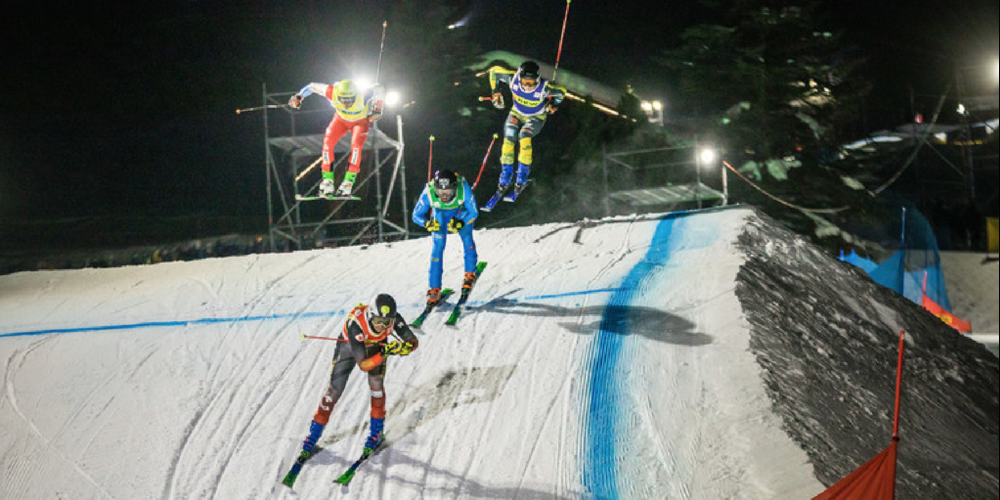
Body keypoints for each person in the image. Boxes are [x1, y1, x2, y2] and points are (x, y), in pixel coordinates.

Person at [296, 293, 418, 460]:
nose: (382, 326)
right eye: (378, 321)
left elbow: (413, 341)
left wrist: (407, 347)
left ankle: (376, 434)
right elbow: (364, 365)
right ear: (370, 315)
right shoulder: (356, 324)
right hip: (349, 347)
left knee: (376, 386)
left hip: (376, 347)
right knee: (334, 391)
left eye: (386, 323)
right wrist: (385, 352)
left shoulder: (394, 318)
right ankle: (313, 435)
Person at [288, 80, 383, 197]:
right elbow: (311, 87)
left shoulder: (363, 93)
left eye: (350, 100)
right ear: (338, 96)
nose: (346, 104)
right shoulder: (332, 92)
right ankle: (327, 181)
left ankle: (348, 182)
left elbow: (378, 88)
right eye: (343, 100)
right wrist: (298, 97)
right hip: (340, 120)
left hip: (360, 122)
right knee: (328, 142)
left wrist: (377, 108)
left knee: (356, 147)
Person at [486, 60, 566, 194]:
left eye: (531, 82)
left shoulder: (543, 88)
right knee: (509, 138)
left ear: (537, 79)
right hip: (517, 112)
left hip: (536, 116)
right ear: (520, 78)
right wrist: (495, 92)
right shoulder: (513, 80)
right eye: (525, 81)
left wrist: (554, 104)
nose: (528, 86)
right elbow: (494, 71)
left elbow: (561, 92)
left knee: (524, 136)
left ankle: (521, 177)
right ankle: (505, 176)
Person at [412, 169, 479, 304]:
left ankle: (470, 274)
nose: (444, 196)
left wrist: (461, 222)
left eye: (448, 192)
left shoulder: (463, 188)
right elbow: (416, 215)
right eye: (440, 192)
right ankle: (434, 287)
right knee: (437, 248)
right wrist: (427, 224)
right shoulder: (429, 191)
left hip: (460, 213)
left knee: (467, 239)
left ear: (454, 188)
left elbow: (474, 212)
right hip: (440, 215)